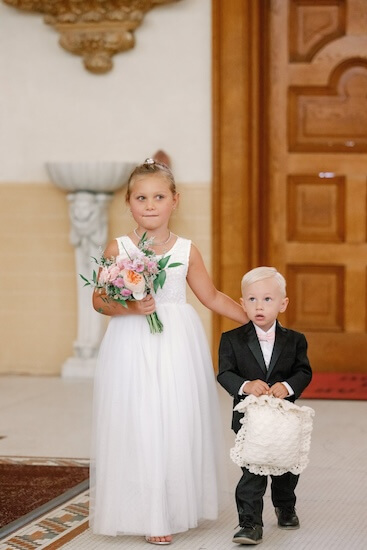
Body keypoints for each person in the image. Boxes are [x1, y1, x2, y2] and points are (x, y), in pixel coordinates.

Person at [89, 158, 248, 546]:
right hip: (131, 344)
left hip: (176, 344)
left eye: (158, 196)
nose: (150, 204)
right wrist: (131, 307)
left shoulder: (187, 250)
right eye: (141, 197)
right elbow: (99, 300)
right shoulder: (119, 247)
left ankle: (173, 505)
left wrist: (254, 317)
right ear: (128, 203)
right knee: (139, 419)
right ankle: (146, 511)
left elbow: (209, 296)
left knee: (174, 419)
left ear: (174, 201)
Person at [217, 266, 312, 545]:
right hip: (250, 420)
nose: (259, 306)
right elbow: (225, 373)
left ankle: (285, 505)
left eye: (268, 299)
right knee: (253, 470)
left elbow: (304, 372)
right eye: (252, 299)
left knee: (284, 467)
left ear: (282, 304)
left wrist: (288, 386)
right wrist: (246, 386)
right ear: (242, 303)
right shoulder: (231, 339)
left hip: (284, 419)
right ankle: (249, 523)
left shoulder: (295, 340)